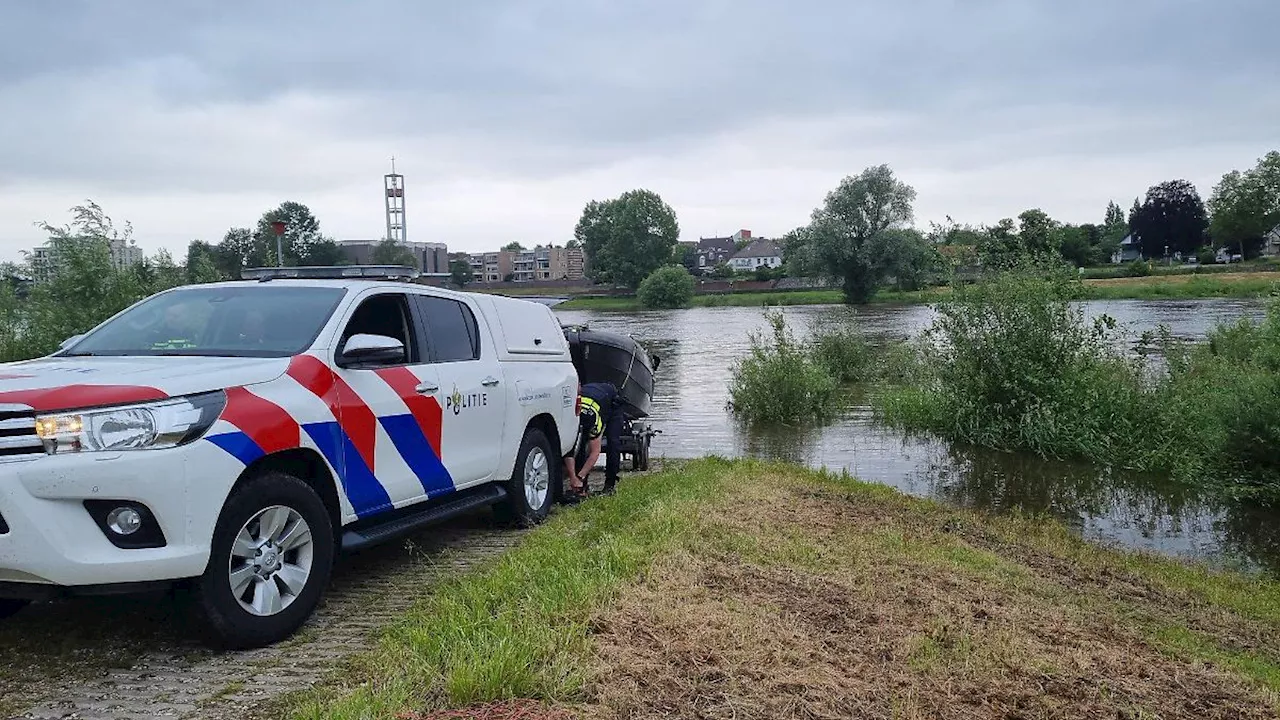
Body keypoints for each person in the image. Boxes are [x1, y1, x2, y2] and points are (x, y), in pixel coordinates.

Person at [562, 381, 624, 501]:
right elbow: (569, 451)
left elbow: (595, 452)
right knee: (579, 445)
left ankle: (610, 485)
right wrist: (573, 477)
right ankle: (582, 487)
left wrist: (580, 476)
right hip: (589, 397)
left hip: (611, 402)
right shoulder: (569, 420)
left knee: (613, 443)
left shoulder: (595, 422)